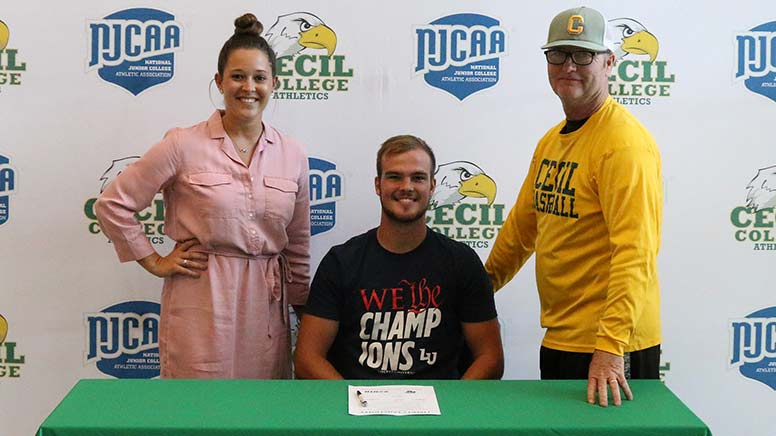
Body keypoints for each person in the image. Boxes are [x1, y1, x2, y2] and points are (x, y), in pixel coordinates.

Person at [95, 13, 310, 379]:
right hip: (201, 296)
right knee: (196, 406)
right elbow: (113, 205)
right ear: (219, 81)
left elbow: (298, 244)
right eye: (237, 76)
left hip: (267, 303)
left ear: (274, 83)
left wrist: (303, 310)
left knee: (262, 408)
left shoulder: (292, 154)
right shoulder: (182, 144)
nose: (249, 87)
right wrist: (154, 261)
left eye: (259, 78)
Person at [485, 6, 662, 406]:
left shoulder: (624, 145)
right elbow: (521, 229)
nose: (569, 65)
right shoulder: (552, 141)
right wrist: (481, 289)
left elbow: (636, 253)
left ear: (609, 62)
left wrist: (611, 346)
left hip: (612, 346)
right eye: (559, 54)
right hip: (563, 337)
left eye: (584, 54)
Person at [294, 135, 503, 379]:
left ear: (432, 186)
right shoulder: (341, 262)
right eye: (394, 176)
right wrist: (355, 402)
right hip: (358, 408)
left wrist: (451, 409)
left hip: (440, 410)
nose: (407, 186)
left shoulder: (461, 262)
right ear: (377, 185)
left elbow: (490, 357)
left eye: (418, 177)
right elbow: (307, 358)